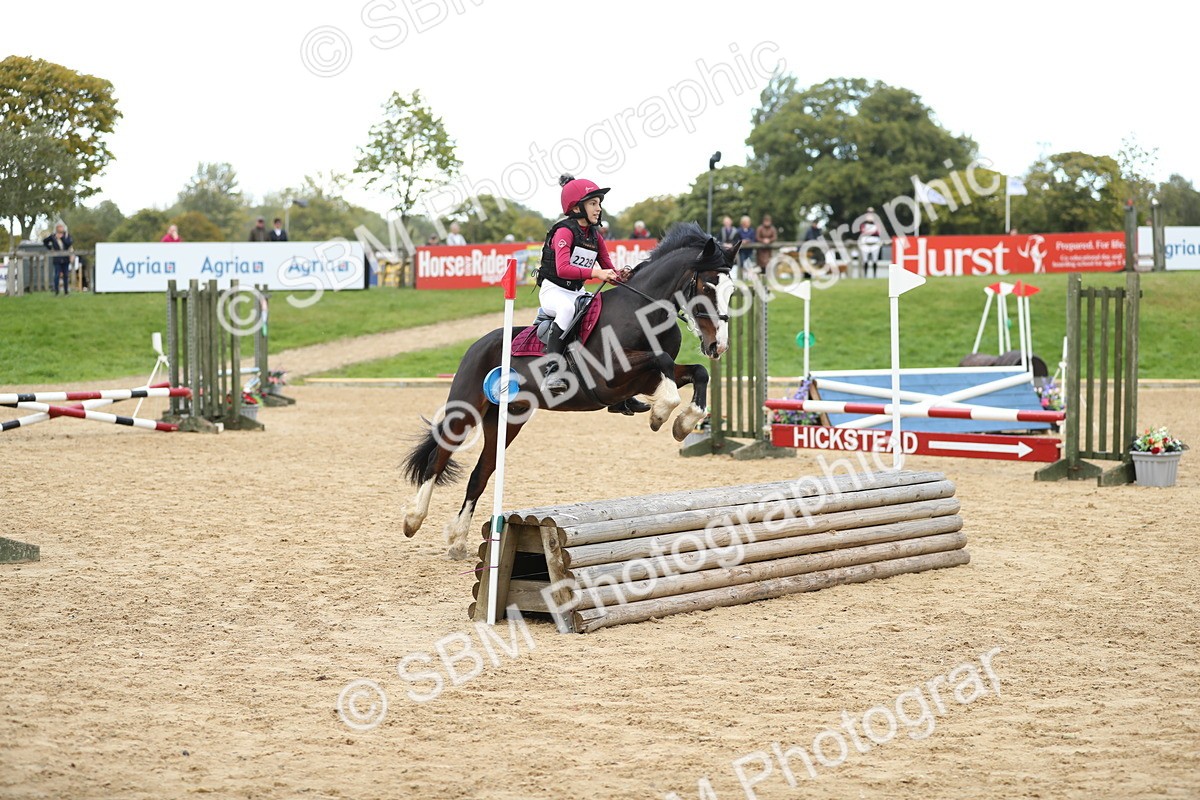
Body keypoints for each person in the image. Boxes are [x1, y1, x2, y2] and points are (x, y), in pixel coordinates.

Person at [537, 174, 626, 396]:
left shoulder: (596, 236)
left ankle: (619, 392)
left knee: (606, 314)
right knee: (566, 310)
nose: (598, 209)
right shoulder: (564, 231)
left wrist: (624, 275)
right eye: (593, 203)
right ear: (577, 207)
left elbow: (609, 268)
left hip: (577, 292)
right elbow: (563, 269)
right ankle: (552, 371)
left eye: (599, 204)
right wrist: (597, 273)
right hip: (554, 291)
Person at [43, 222, 73, 295]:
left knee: (66, 275)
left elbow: (69, 243)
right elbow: (45, 241)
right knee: (57, 275)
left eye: (61, 227)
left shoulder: (66, 235)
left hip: (65, 258)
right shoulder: (53, 236)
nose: (60, 228)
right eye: (59, 227)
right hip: (57, 258)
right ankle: (56, 291)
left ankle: (66, 292)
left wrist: (62, 238)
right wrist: (50, 248)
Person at [858, 207, 883, 278]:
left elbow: (878, 232)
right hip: (865, 242)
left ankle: (874, 275)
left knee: (875, 259)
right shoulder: (863, 224)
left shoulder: (877, 223)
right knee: (865, 260)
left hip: (875, 241)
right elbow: (863, 232)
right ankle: (865, 275)